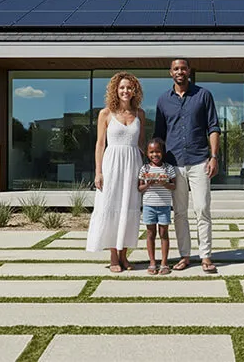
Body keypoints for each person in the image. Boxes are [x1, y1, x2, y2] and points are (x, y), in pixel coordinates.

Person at [155, 58, 221, 273]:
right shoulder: (163, 100)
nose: (180, 71)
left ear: (189, 71)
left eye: (183, 68)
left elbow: (213, 127)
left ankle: (206, 256)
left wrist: (213, 157)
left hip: (200, 160)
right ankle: (185, 255)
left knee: (202, 208)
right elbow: (159, 135)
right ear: (170, 73)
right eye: (176, 68)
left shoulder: (203, 95)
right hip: (174, 164)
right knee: (180, 212)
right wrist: (160, 166)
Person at [86, 71, 146, 273]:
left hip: (133, 165)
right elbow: (100, 144)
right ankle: (113, 255)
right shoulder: (105, 113)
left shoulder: (140, 114)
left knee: (129, 209)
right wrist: (98, 172)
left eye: (129, 87)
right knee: (111, 207)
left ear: (134, 90)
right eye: (121, 87)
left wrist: (146, 171)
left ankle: (124, 254)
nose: (125, 91)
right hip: (112, 165)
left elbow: (141, 144)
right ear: (115, 90)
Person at [138, 137, 176, 275]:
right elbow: (140, 188)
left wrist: (164, 183)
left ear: (163, 152)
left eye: (158, 151)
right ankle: (152, 262)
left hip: (164, 206)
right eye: (152, 152)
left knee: (164, 233)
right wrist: (148, 183)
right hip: (149, 205)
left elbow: (174, 185)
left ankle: (164, 263)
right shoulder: (144, 169)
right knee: (150, 233)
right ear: (147, 154)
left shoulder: (168, 168)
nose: (155, 155)